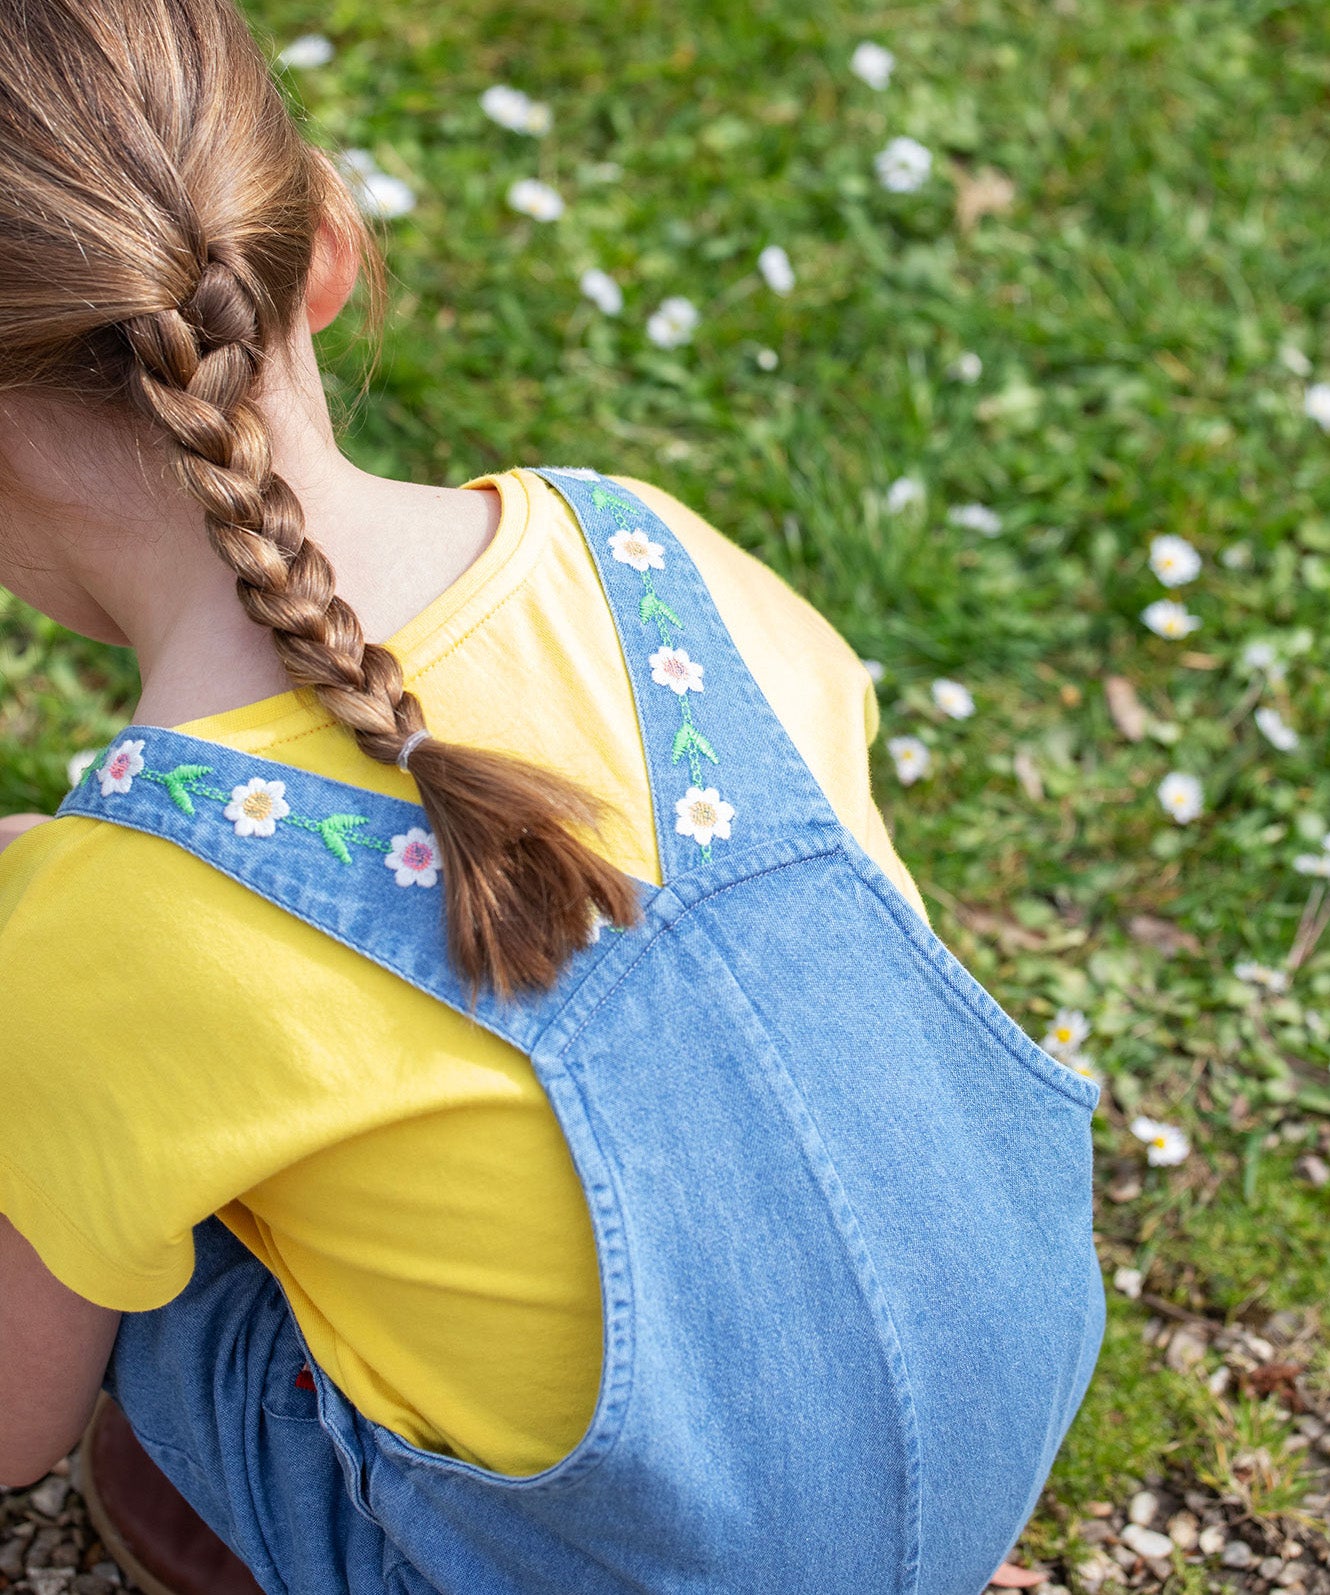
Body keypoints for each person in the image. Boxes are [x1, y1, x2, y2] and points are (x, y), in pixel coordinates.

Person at [0, 3, 1106, 1592]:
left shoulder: (108, 928)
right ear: (329, 250)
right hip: (991, 1418)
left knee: (107, 1159)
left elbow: (9, 1427)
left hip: (634, 1569)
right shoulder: (647, 548)